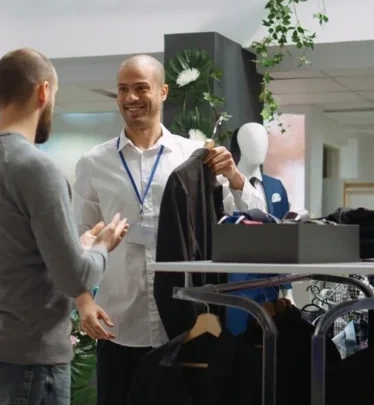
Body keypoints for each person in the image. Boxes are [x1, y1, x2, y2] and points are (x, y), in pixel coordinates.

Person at [72, 54, 266, 405]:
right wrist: (83, 301)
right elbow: (77, 241)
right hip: (119, 325)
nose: (131, 98)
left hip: (187, 325)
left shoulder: (194, 157)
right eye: (123, 89)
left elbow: (254, 216)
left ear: (162, 92)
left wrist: (234, 176)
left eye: (141, 88)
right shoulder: (93, 163)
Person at [0, 48, 128, 405]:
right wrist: (102, 245)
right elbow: (75, 278)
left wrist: (77, 243)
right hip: (29, 360)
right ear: (43, 92)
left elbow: (14, 253)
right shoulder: (36, 168)